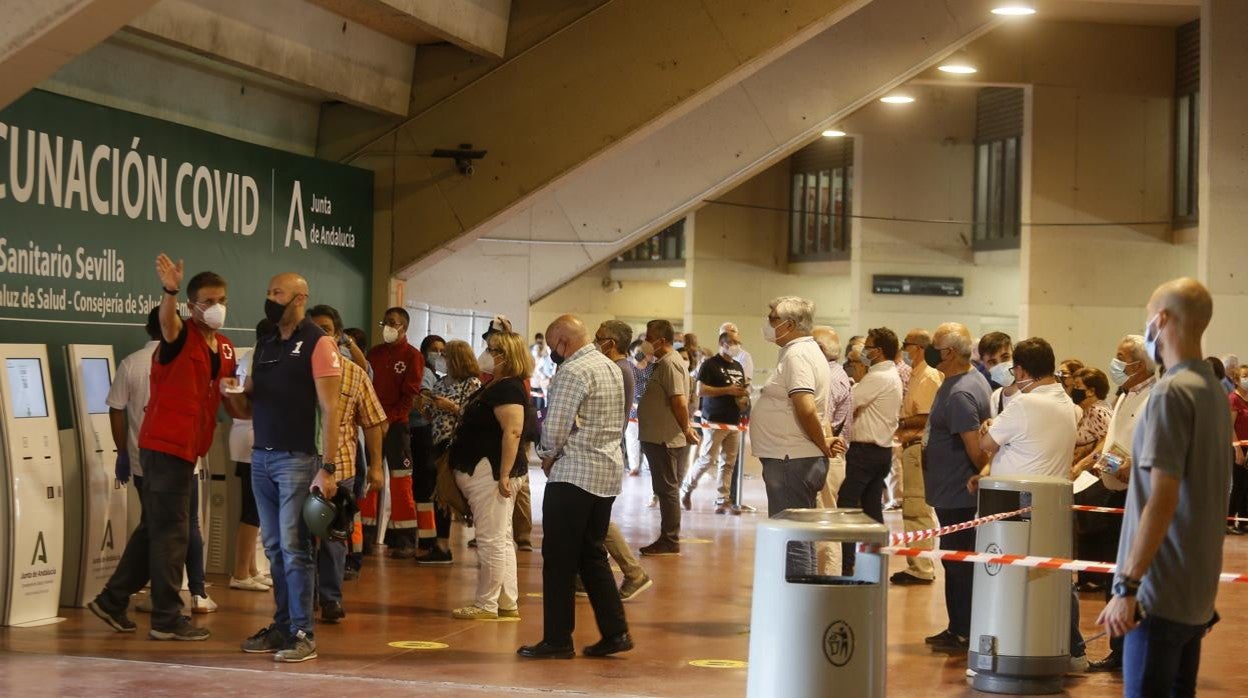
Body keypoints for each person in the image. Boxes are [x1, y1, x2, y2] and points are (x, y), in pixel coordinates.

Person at [88, 255, 238, 641]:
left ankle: (112, 599)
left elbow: (228, 397)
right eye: (208, 300)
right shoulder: (178, 335)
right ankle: (167, 618)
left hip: (190, 450)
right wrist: (169, 289)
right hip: (163, 446)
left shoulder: (224, 348)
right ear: (192, 305)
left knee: (156, 529)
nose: (216, 306)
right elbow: (168, 322)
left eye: (221, 298)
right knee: (172, 535)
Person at [1097, 278, 1231, 695]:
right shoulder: (1212, 391)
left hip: (1158, 592)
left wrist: (1127, 586)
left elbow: (1162, 495)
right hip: (1195, 593)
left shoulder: (1170, 393)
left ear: (1162, 320)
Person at [230, 272, 342, 663]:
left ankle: (302, 632)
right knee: (275, 547)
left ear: (299, 298)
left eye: (277, 292)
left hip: (297, 459)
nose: (269, 298)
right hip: (261, 456)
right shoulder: (264, 345)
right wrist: (233, 394)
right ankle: (281, 625)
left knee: (295, 549)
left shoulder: (318, 342)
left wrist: (327, 467)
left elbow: (331, 409)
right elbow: (248, 405)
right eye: (268, 291)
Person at [519, 315, 631, 659]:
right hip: (606, 475)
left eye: (554, 347)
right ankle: (615, 632)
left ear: (563, 343)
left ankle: (557, 640)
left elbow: (553, 430)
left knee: (558, 559)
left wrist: (546, 455)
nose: (553, 353)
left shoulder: (572, 371)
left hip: (574, 476)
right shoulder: (611, 367)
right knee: (592, 555)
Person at [975, 337, 1089, 673]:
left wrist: (993, 426)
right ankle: (1072, 650)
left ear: (1021, 370)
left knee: (1012, 580)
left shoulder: (1023, 406)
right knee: (1055, 579)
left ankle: (1015, 648)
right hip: (1053, 504)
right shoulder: (1070, 406)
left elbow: (986, 444)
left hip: (1015, 507)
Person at [1075, 335, 1156, 673]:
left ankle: (1134, 651)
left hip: (1140, 492)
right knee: (1113, 573)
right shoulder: (1125, 393)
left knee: (1132, 576)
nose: (1116, 363)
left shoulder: (1157, 395)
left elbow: (1155, 443)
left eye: (1121, 357)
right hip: (1115, 488)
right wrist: (1102, 458)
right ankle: (1118, 649)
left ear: (1138, 364)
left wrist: (1131, 465)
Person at [751, 297, 843, 573]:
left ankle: (797, 609)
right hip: (791, 457)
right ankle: (805, 601)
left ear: (788, 325)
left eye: (772, 319)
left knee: (792, 542)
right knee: (800, 538)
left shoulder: (797, 354)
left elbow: (805, 406)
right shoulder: (800, 351)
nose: (768, 324)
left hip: (791, 459)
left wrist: (821, 444)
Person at [308, 305, 386, 624]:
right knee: (298, 538)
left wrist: (377, 467)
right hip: (297, 468)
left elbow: (372, 422)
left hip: (338, 469)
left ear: (339, 335)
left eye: (326, 328)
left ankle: (330, 598)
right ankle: (302, 598)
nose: (320, 335)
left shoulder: (354, 373)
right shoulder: (295, 368)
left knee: (332, 538)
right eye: (313, 329)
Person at [449, 331, 535, 620]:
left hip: (491, 472)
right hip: (487, 471)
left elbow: (513, 431)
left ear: (506, 356)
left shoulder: (507, 388)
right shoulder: (498, 385)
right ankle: (507, 601)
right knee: (501, 537)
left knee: (491, 540)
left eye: (494, 349)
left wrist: (504, 474)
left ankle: (486, 603)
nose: (487, 353)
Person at [922, 322, 991, 653]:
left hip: (958, 494)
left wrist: (985, 475)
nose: (930, 350)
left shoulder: (961, 392)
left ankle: (962, 629)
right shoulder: (960, 381)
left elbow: (976, 450)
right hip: (949, 489)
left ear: (948, 352)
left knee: (958, 561)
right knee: (954, 560)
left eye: (935, 345)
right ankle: (958, 625)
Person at [592, 320, 653, 600]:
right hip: (604, 451)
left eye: (600, 338)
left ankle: (633, 572)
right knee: (591, 519)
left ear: (612, 342)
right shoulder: (621, 368)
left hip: (602, 453)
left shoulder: (618, 370)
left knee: (596, 518)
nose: (595, 342)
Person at [838, 327, 902, 574]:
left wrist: (855, 380)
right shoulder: (889, 374)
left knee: (846, 503)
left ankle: (847, 563)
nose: (864, 352)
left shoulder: (878, 376)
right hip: (880, 452)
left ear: (879, 352)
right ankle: (874, 563)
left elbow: (850, 402)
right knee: (872, 508)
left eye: (868, 347)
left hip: (865, 452)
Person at [636, 319, 699, 556]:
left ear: (662, 340)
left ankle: (670, 539)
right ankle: (668, 537)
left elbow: (678, 401)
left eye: (649, 337)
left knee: (667, 489)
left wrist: (685, 428)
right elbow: (640, 378)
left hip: (664, 437)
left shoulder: (671, 364)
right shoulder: (659, 362)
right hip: (655, 435)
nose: (646, 341)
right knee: (664, 488)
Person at [364, 307, 422, 558]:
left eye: (393, 323)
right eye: (385, 321)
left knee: (400, 481)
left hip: (397, 426)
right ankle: (364, 536)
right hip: (370, 425)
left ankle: (404, 539)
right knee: (369, 478)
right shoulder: (374, 354)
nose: (387, 326)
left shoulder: (413, 356)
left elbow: (410, 396)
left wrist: (389, 420)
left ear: (404, 327)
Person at [890, 329, 943, 586]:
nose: (903, 350)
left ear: (918, 348)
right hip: (910, 445)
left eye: (906, 345)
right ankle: (916, 563)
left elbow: (926, 415)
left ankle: (922, 567)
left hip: (919, 444)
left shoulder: (928, 376)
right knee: (911, 508)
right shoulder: (916, 374)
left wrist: (899, 421)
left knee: (916, 508)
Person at [423, 340, 482, 563]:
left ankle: (482, 538)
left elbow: (473, 417)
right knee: (442, 494)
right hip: (437, 443)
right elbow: (432, 414)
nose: (441, 358)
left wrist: (450, 407)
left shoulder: (472, 384)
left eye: (445, 355)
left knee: (463, 494)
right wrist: (427, 406)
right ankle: (441, 544)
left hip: (457, 444)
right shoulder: (440, 382)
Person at [680, 332, 746, 514]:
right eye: (731, 342)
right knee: (707, 459)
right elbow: (700, 390)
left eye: (737, 342)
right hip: (715, 419)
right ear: (722, 344)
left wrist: (742, 396)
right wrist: (727, 390)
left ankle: (722, 499)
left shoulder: (738, 366)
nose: (735, 345)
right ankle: (686, 488)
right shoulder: (710, 364)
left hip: (734, 421)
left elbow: (739, 389)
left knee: (728, 462)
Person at [228, 321, 272, 592]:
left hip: (250, 437)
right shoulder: (259, 357)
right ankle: (240, 573)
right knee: (252, 510)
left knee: (256, 508)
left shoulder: (253, 355)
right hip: (251, 438)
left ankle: (252, 569)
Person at [812, 325, 851, 573]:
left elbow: (819, 418)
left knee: (824, 519)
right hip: (831, 453)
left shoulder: (829, 377)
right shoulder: (837, 373)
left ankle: (827, 577)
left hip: (828, 453)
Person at [412, 334, 447, 561]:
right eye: (434, 350)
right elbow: (424, 399)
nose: (438, 354)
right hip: (422, 433)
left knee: (429, 489)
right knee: (426, 489)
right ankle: (427, 540)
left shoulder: (439, 376)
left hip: (429, 434)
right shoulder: (426, 373)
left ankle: (431, 540)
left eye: (442, 351)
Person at [1070, 367, 1112, 466]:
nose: (1073, 390)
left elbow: (1107, 446)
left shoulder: (1097, 412)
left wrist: (1083, 464)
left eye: (1077, 386)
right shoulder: (1089, 410)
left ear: (1091, 391)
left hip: (1092, 476)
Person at [624, 339, 654, 476]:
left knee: (648, 439)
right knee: (632, 438)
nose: (641, 355)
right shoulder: (629, 366)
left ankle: (648, 465)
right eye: (638, 352)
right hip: (632, 407)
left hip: (649, 408)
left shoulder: (653, 367)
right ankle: (634, 466)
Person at [979, 331, 1017, 415]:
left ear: (1014, 354)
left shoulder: (1030, 392)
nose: (1000, 365)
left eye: (1005, 357)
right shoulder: (995, 397)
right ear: (984, 365)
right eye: (992, 362)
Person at [1229, 364, 1248, 534]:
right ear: (1236, 379)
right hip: (1237, 448)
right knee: (1238, 485)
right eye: (1245, 376)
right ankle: (1228, 521)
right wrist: (1238, 450)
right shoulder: (1233, 399)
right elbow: (1230, 427)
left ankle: (1243, 521)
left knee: (1247, 486)